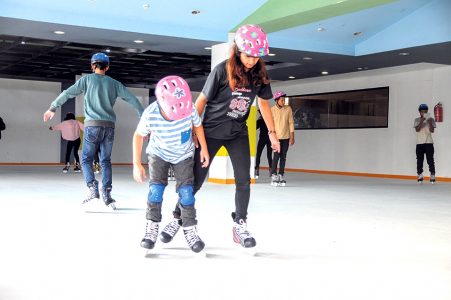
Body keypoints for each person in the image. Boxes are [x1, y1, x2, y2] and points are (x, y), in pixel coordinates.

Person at [160, 24, 280, 250]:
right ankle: (177, 217)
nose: (252, 60)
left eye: (256, 56)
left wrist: (273, 134)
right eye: (248, 55)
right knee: (195, 180)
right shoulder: (221, 70)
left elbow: (264, 104)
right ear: (238, 50)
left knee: (244, 180)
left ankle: (240, 224)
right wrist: (192, 131)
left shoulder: (259, 76)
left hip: (238, 134)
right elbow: (201, 102)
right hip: (211, 132)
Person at [43, 52, 144, 209]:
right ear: (107, 67)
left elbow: (67, 93)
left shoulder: (86, 80)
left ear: (92, 66)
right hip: (109, 127)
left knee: (85, 159)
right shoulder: (115, 83)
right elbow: (133, 99)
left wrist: (52, 108)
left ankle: (93, 191)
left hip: (92, 126)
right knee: (105, 161)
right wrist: (143, 117)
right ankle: (108, 196)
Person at [132, 75, 209, 253]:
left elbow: (198, 126)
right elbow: (138, 135)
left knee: (187, 193)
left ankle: (190, 231)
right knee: (156, 190)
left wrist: (204, 149)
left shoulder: (189, 108)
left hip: (183, 154)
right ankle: (151, 228)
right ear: (162, 102)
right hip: (158, 153)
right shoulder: (150, 114)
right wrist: (137, 164)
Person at [270, 91, 295, 186]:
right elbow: (270, 125)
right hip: (276, 138)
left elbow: (291, 123)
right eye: (282, 100)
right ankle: (273, 175)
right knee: (276, 156)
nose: (283, 102)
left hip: (286, 137)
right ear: (276, 100)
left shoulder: (288, 109)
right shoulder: (272, 110)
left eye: (284, 100)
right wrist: (272, 137)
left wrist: (292, 136)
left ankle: (281, 174)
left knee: (283, 157)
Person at [414, 103, 436, 184]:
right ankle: (420, 174)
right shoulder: (416, 120)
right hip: (419, 143)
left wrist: (429, 122)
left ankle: (432, 174)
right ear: (419, 112)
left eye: (425, 111)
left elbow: (432, 131)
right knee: (419, 160)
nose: (424, 113)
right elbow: (417, 130)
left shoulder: (431, 119)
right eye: (422, 111)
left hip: (429, 142)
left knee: (430, 159)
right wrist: (422, 121)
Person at [254, 109, 272, 178]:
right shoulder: (269, 120)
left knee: (259, 154)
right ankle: (271, 170)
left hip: (262, 139)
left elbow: (254, 127)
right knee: (269, 155)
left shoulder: (260, 120)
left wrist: (258, 120)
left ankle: (257, 169)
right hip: (268, 139)